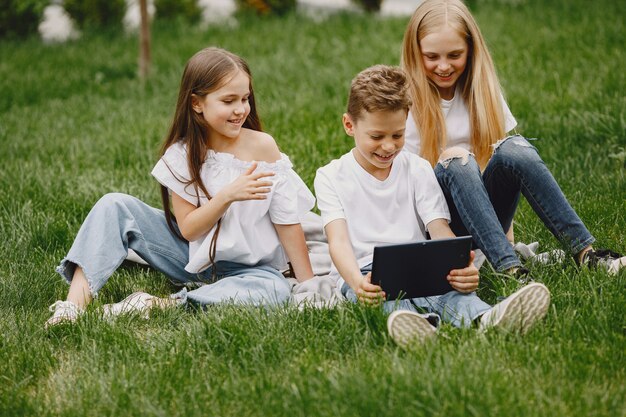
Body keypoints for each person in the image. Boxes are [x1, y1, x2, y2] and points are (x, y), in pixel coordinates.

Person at [46, 47, 315, 328]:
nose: (240, 110)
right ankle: (72, 308)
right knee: (113, 204)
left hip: (252, 269)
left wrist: (309, 284)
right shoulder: (182, 154)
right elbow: (188, 229)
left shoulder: (262, 146)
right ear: (197, 103)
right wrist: (227, 196)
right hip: (191, 257)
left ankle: (159, 303)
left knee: (275, 291)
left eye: (245, 98)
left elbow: (287, 220)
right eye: (228, 100)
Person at [314, 65, 551, 348]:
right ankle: (418, 326)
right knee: (386, 303)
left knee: (451, 293)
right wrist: (356, 282)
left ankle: (487, 317)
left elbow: (438, 227)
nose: (388, 147)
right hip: (364, 270)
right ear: (349, 125)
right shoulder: (330, 175)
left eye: (397, 136)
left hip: (418, 261)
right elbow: (337, 242)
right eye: (377, 137)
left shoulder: (417, 168)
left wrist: (461, 265)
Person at [401, 0, 624, 277]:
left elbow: (499, 164)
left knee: (515, 148)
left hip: (483, 218)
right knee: (457, 162)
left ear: (471, 50)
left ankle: (586, 254)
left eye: (454, 55)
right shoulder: (405, 103)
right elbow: (404, 188)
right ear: (415, 51)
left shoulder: (482, 94)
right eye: (432, 57)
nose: (444, 66)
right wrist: (447, 161)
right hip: (437, 227)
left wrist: (507, 236)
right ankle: (511, 271)